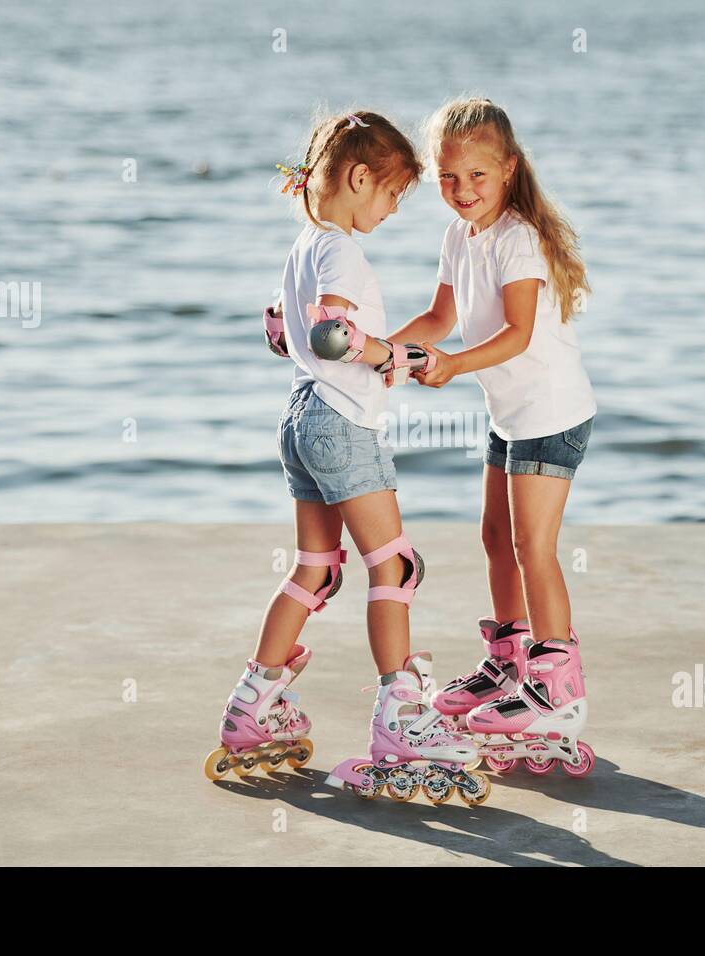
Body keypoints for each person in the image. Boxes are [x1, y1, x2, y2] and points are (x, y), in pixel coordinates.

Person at [204, 109, 485, 804]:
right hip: (339, 420)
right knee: (394, 566)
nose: (392, 210)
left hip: (300, 418)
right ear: (360, 178)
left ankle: (252, 707)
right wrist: (387, 353)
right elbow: (332, 335)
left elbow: (281, 332)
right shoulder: (342, 252)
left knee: (315, 571)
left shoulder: (305, 245)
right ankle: (401, 721)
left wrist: (354, 349)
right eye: (391, 194)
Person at [385, 97, 597, 776]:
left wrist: (450, 366)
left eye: (476, 176)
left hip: (551, 412)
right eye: (448, 179)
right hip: (511, 412)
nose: (462, 191)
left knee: (533, 547)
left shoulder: (518, 238)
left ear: (507, 169)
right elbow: (441, 314)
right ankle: (509, 663)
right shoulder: (460, 236)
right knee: (493, 539)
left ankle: (557, 689)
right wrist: (378, 349)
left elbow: (518, 334)